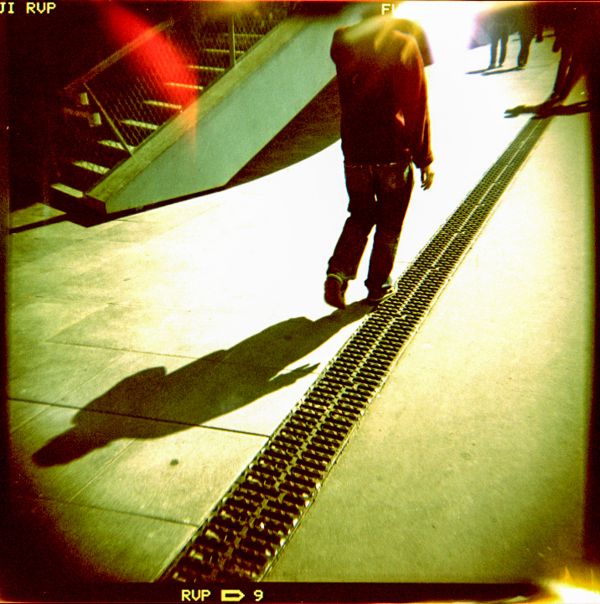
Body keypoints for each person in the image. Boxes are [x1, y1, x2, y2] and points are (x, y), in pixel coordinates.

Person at [324, 16, 434, 309]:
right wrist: (425, 159)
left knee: (360, 215)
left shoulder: (343, 41)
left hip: (356, 153)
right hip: (392, 152)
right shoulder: (403, 44)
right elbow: (417, 106)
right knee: (389, 221)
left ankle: (338, 272)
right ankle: (377, 286)